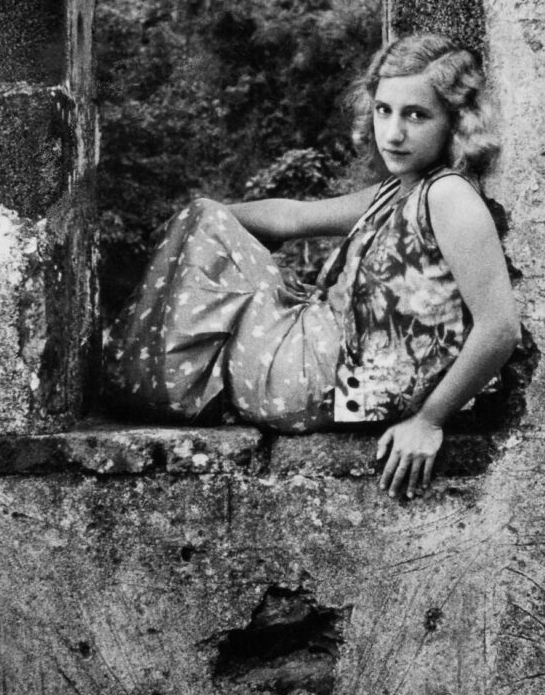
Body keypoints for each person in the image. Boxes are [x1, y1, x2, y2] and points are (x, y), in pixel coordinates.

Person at [104, 33, 520, 499]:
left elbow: (500, 327)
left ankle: (133, 379)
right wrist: (205, 217)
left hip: (315, 380)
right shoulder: (399, 190)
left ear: (456, 122)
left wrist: (428, 420)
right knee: (204, 218)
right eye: (384, 110)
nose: (394, 133)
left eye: (416, 115)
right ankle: (143, 377)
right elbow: (295, 217)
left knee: (205, 256)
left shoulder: (448, 196)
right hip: (317, 370)